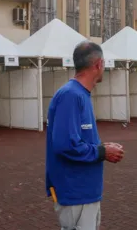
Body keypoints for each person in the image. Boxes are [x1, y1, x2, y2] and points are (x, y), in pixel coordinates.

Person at [45, 41, 125, 230]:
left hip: (83, 190)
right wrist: (102, 152)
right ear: (99, 64)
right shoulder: (71, 95)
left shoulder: (79, 94)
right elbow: (65, 144)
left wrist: (101, 148)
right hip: (76, 190)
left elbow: (76, 139)